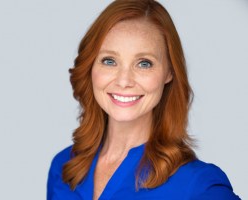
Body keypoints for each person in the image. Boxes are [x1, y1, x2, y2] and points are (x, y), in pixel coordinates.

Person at [47, 0, 241, 199]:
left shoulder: (197, 185)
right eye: (109, 61)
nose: (124, 81)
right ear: (90, 67)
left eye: (144, 63)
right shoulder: (63, 167)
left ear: (169, 72)